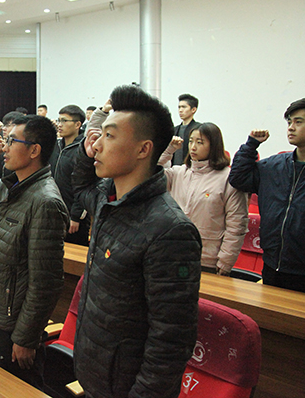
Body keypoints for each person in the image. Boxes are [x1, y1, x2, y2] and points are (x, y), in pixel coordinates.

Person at [73, 86, 201, 398]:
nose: (97, 145)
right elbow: (81, 187)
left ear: (144, 149)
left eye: (109, 136)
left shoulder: (171, 230)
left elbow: (171, 340)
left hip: (127, 386)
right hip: (96, 375)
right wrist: (85, 154)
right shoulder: (108, 199)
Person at [0, 115, 68, 389]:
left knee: (18, 388)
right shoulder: (12, 186)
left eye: (11, 141)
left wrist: (26, 337)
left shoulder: (45, 202)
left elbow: (46, 282)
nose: (4, 147)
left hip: (13, 322)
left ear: (34, 150)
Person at [229, 98, 305, 297]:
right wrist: (251, 145)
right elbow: (238, 179)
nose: (291, 128)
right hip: (272, 265)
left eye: (298, 122)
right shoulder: (273, 166)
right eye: (289, 122)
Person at [159, 123, 248, 275]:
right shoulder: (179, 173)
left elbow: (236, 224)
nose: (193, 147)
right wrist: (168, 151)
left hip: (207, 259)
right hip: (172, 254)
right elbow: (149, 174)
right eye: (191, 141)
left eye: (200, 142)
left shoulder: (228, 179)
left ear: (214, 146)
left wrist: (225, 261)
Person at [50, 105, 90, 245]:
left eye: (64, 121)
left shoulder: (84, 149)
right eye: (58, 120)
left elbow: (86, 185)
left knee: (74, 252)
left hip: (73, 217)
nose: (59, 125)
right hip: (53, 212)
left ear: (77, 124)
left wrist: (76, 216)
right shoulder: (56, 146)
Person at [172, 93, 200, 166]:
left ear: (193, 109)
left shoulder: (198, 129)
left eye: (184, 107)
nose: (180, 110)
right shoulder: (174, 130)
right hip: (174, 168)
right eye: (179, 107)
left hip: (191, 167)